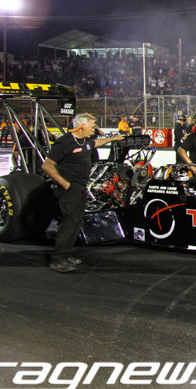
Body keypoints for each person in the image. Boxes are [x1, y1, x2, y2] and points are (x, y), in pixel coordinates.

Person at [41, 113, 123, 272]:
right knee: (69, 222)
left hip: (80, 187)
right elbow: (47, 165)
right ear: (82, 126)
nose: (94, 130)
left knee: (76, 221)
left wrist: (113, 139)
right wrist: (65, 184)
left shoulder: (85, 141)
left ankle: (66, 254)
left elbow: (95, 143)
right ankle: (58, 259)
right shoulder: (65, 142)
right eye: (92, 126)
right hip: (68, 188)